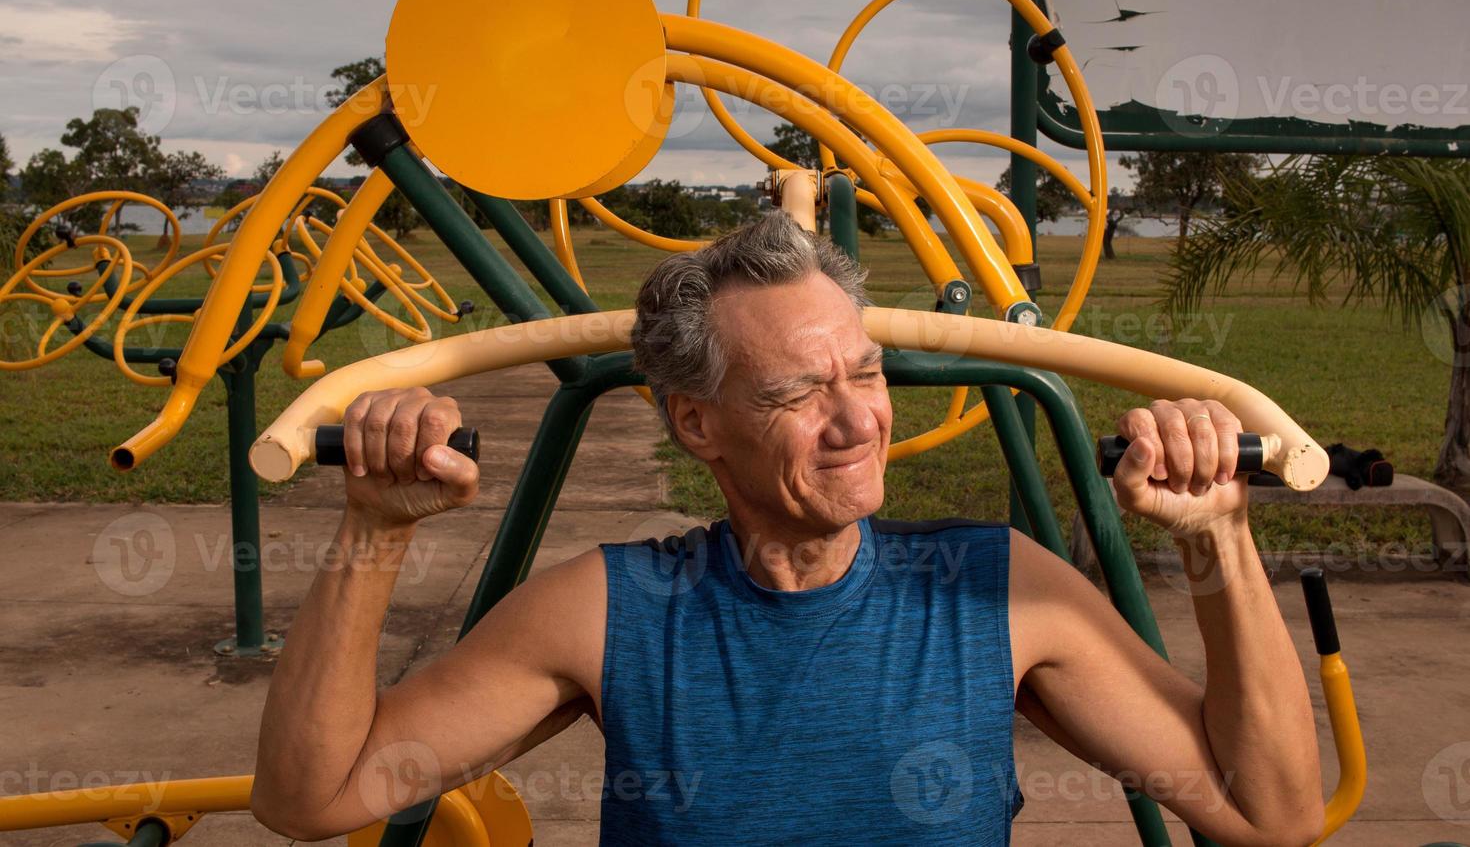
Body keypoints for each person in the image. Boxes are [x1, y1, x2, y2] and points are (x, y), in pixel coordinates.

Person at [251, 212, 1324, 846]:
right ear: (696, 421)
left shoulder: (999, 589)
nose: (860, 418)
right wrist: (374, 530)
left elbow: (1270, 814)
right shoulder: (610, 608)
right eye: (800, 391)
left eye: (864, 371)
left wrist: (1217, 534)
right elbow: (310, 795)